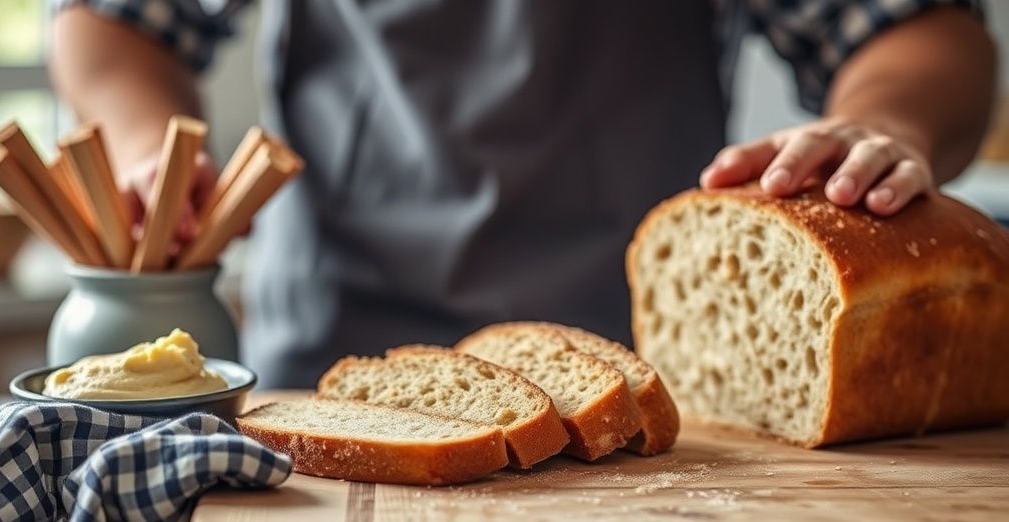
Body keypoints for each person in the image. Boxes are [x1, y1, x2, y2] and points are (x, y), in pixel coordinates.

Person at [48, 0, 996, 390]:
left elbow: (918, 29)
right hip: (324, 368)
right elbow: (113, 22)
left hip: (664, 392)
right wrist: (146, 153)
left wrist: (887, 125)